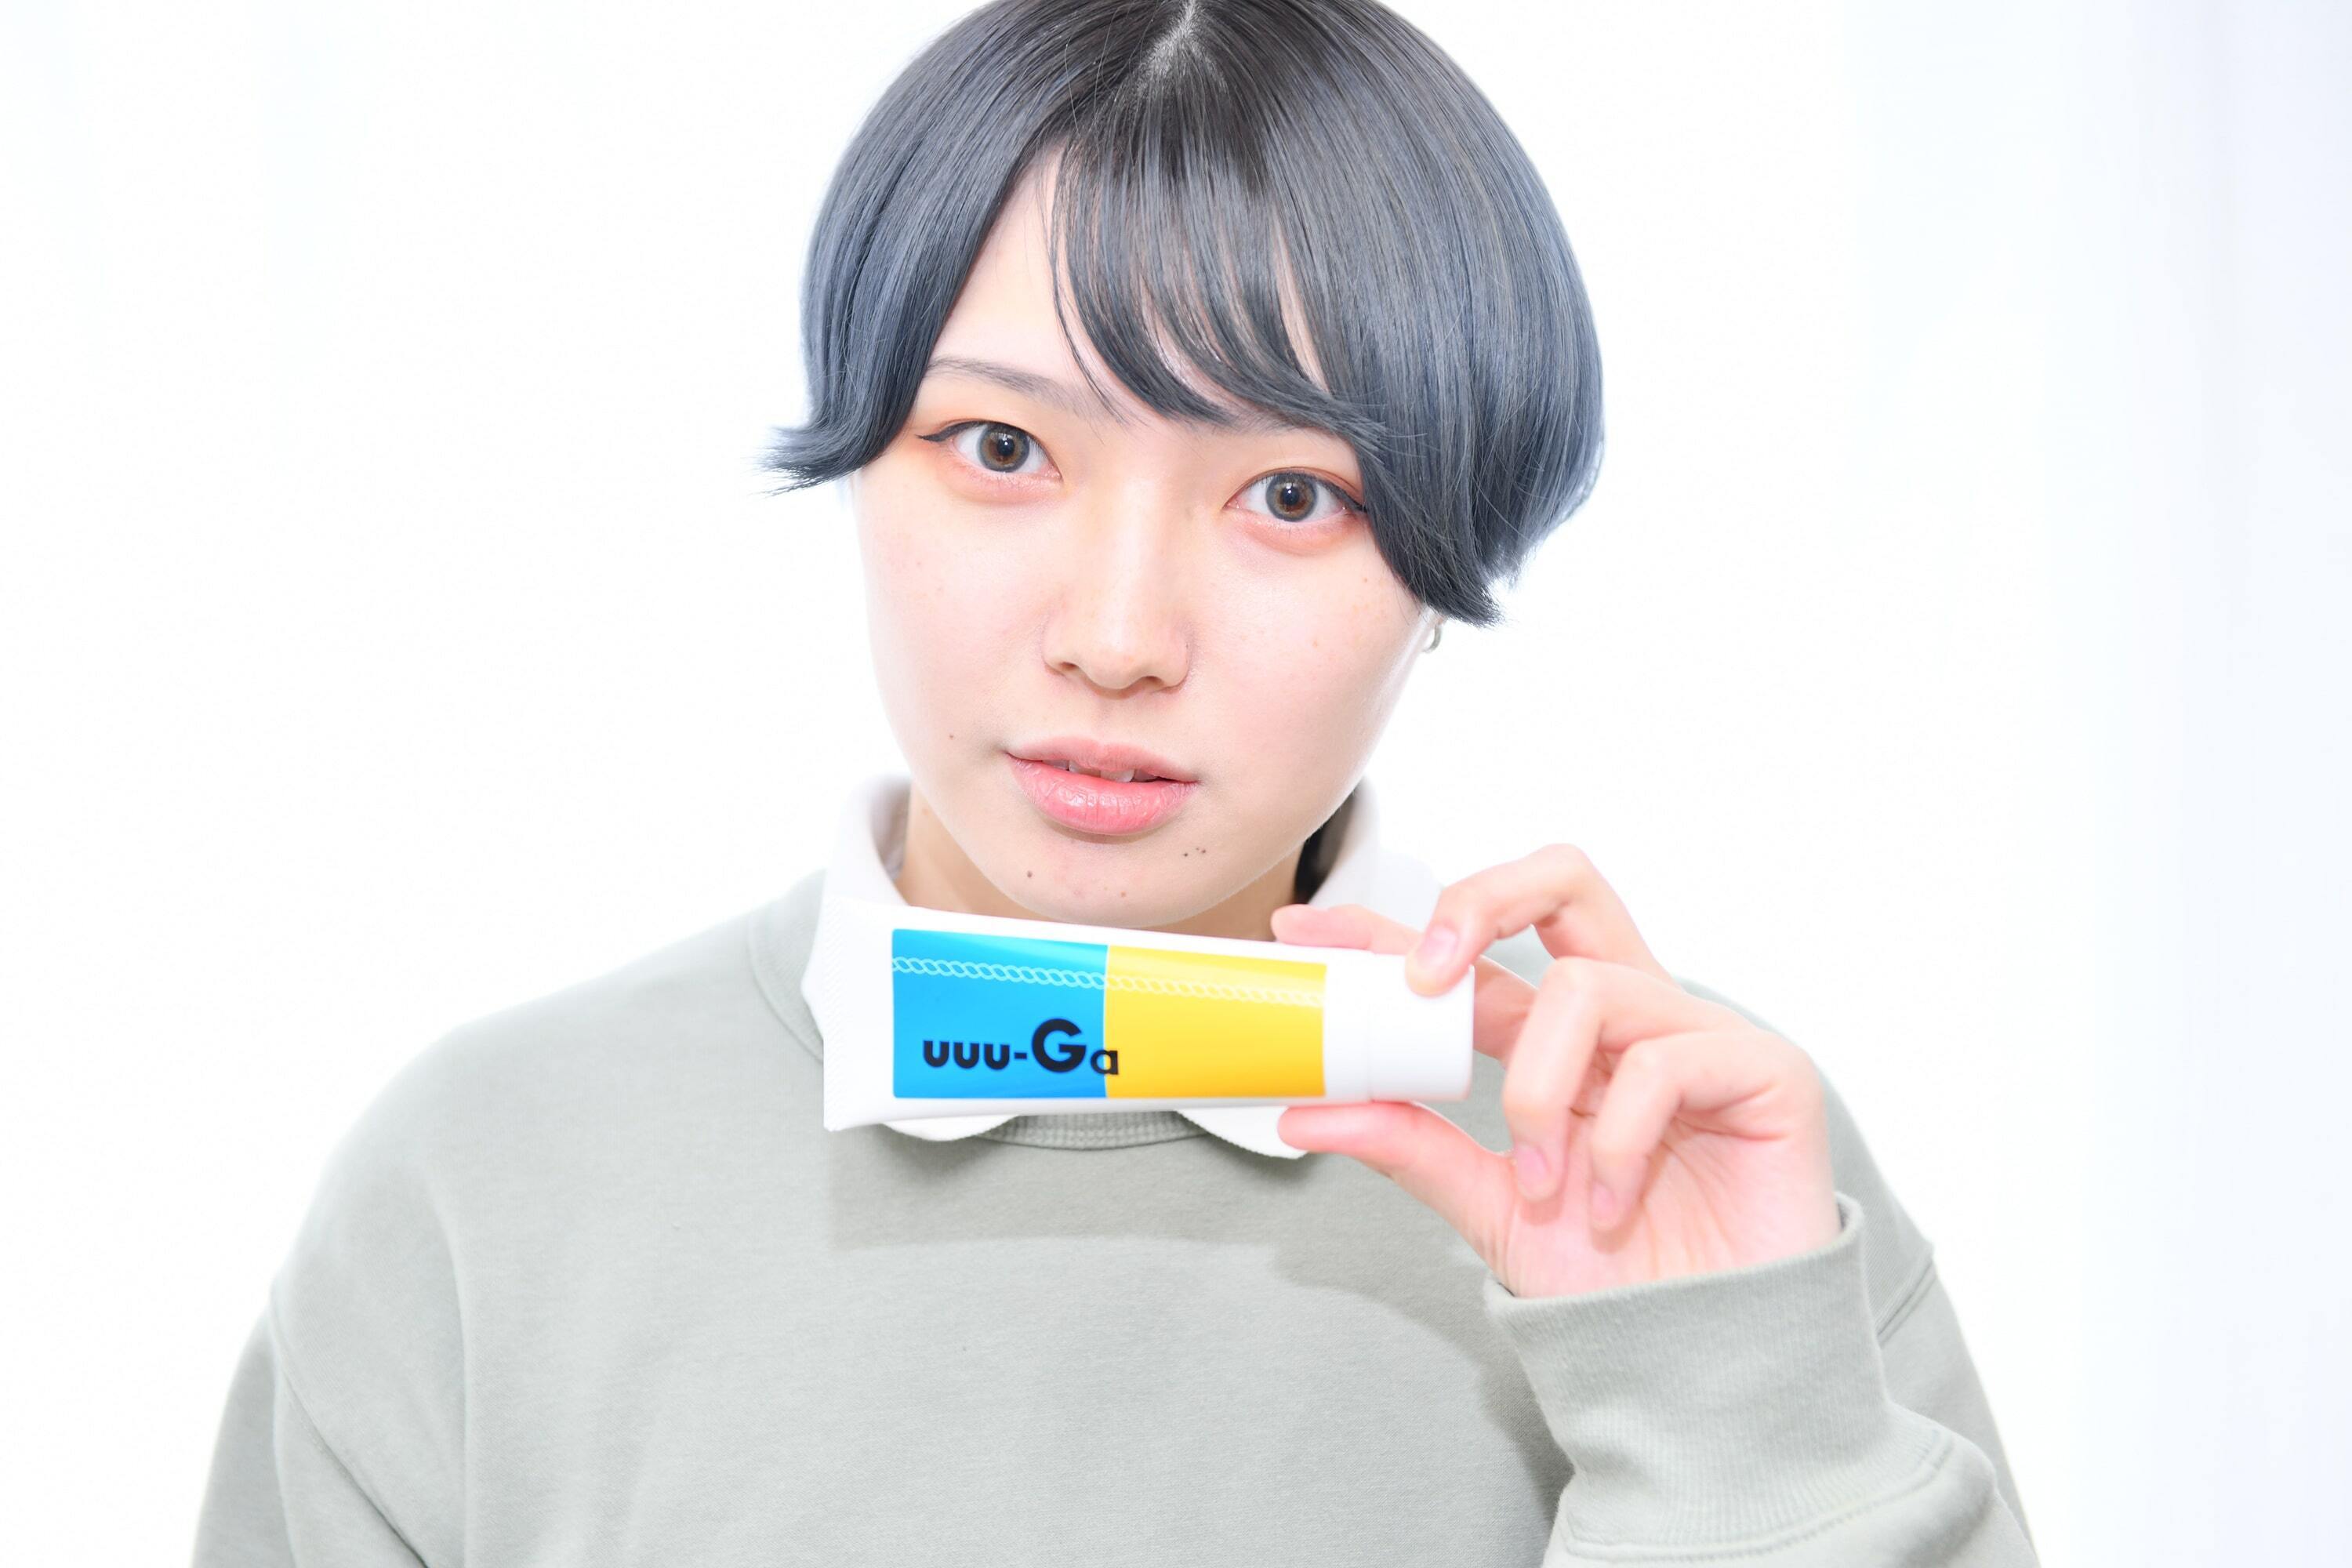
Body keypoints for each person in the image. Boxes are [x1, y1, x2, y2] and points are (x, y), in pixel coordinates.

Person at [191, 2, 2038, 1562]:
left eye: (1293, 494)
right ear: (862, 455)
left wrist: (1725, 1401)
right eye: (1001, 447)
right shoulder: (487, 1180)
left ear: (1446, 565)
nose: (1118, 634)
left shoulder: (1679, 1160)